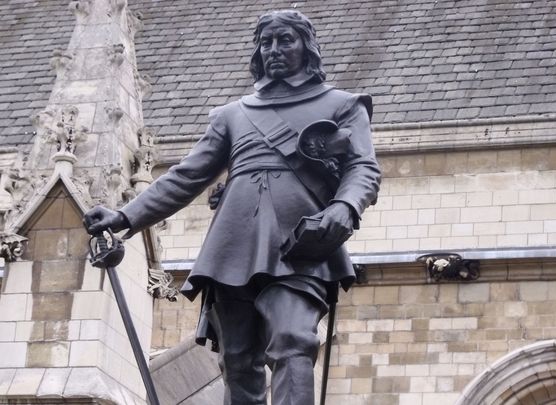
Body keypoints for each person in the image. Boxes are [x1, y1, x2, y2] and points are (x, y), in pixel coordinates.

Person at [84, 9, 380, 405]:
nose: (273, 49)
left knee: (294, 339)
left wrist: (345, 206)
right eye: (266, 42)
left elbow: (363, 167)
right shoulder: (232, 115)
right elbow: (186, 176)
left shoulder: (342, 105)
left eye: (285, 40)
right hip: (233, 245)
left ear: (306, 47)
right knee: (238, 361)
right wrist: (126, 216)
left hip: (298, 244)